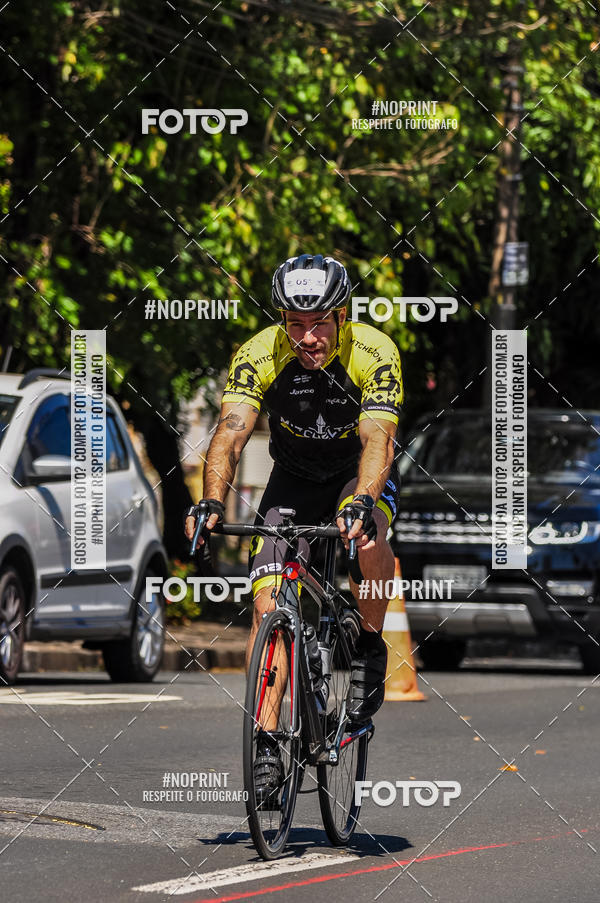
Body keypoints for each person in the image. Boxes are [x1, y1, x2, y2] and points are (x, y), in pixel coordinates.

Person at [184, 253, 403, 804]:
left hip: (357, 475)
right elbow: (230, 434)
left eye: (319, 322)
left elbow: (377, 440)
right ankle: (266, 746)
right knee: (267, 608)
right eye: (294, 323)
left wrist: (362, 500)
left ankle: (369, 648)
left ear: (343, 315)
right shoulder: (259, 353)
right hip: (293, 481)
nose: (307, 337)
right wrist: (210, 502)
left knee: (369, 533)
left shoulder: (374, 351)